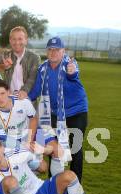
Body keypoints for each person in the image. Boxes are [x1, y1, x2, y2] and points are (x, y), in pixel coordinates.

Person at [28, 36, 88, 181]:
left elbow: (73, 74)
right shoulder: (43, 69)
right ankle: (54, 184)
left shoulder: (69, 64)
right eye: (50, 50)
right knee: (52, 146)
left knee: (76, 148)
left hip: (76, 111)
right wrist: (21, 98)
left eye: (57, 50)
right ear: (47, 52)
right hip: (54, 113)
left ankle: (75, 183)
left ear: (63, 51)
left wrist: (72, 72)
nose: (53, 52)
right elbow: (35, 91)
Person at [0, 26, 40, 99]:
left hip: (27, 99)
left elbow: (32, 78)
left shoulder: (34, 58)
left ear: (26, 40)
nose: (17, 42)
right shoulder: (6, 55)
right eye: (14, 39)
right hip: (9, 100)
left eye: (20, 39)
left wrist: (24, 91)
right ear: (10, 40)